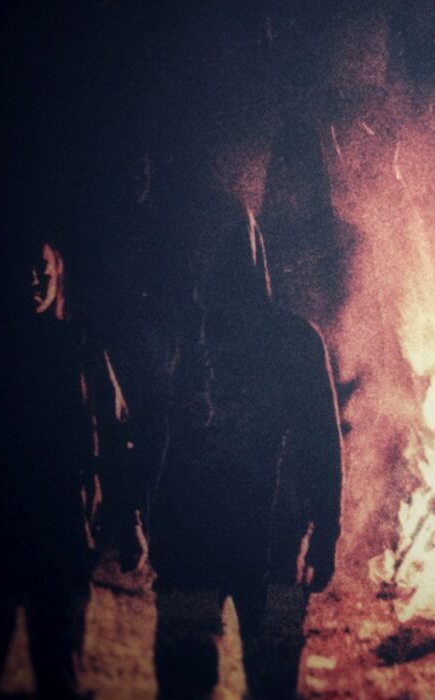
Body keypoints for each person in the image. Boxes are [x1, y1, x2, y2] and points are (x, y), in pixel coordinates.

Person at [145, 210, 343, 699]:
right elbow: (156, 430)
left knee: (268, 679)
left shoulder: (294, 339)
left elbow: (322, 441)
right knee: (188, 681)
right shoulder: (185, 335)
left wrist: (326, 535)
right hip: (199, 543)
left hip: (270, 546)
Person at [0, 239, 134, 699]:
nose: (33, 280)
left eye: (42, 270)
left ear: (59, 275)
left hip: (61, 535)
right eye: (25, 270)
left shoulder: (82, 351)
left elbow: (116, 438)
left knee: (58, 667)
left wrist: (130, 519)